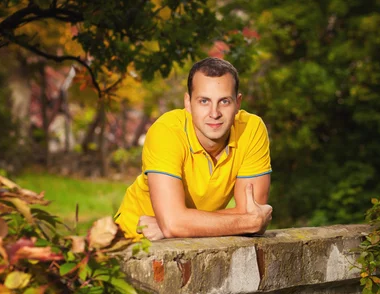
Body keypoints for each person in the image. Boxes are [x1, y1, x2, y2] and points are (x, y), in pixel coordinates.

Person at [115, 57, 273, 241]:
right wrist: (174, 224)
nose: (214, 113)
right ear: (188, 103)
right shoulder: (167, 131)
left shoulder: (251, 129)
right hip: (133, 240)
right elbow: (251, 221)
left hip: (188, 242)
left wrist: (179, 224)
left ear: (238, 103)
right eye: (204, 101)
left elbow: (253, 212)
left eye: (224, 101)